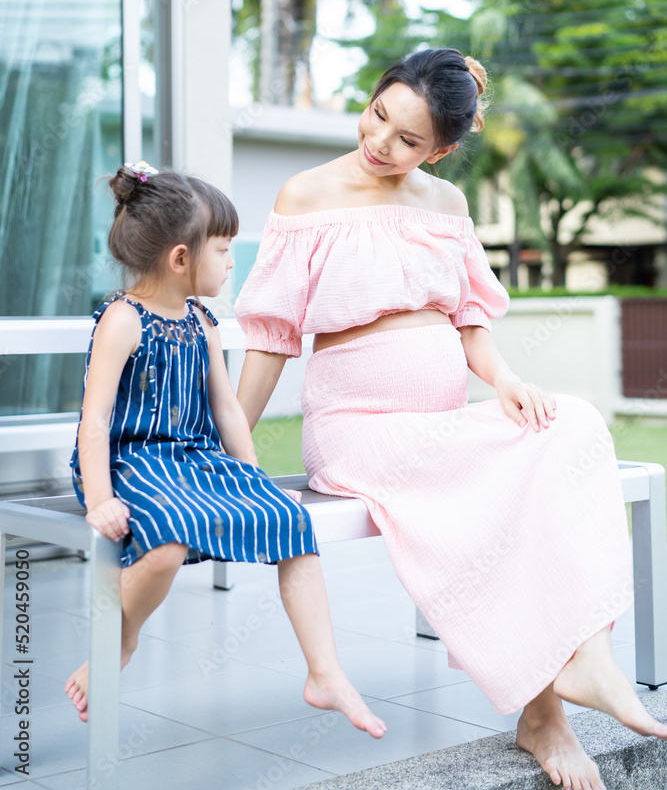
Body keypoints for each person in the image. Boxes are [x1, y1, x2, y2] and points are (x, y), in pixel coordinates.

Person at [235, 49, 667, 790]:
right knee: (503, 484)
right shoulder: (305, 194)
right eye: (378, 117)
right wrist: (231, 449)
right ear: (372, 99)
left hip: (440, 424)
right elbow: (271, 336)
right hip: (359, 429)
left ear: (441, 150)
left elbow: (469, 323)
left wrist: (505, 380)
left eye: (407, 141)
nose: (380, 144)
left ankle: (582, 657)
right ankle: (547, 715)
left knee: (569, 424)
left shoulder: (445, 205)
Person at [64, 162, 386, 740]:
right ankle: (121, 637)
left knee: (289, 518)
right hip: (129, 463)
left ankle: (326, 672)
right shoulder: (122, 320)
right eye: (224, 247)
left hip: (195, 460)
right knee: (165, 541)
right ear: (181, 258)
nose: (233, 259)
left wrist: (251, 473)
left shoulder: (201, 322)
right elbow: (95, 422)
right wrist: (100, 500)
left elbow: (227, 410)